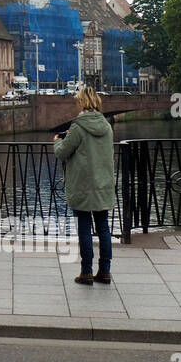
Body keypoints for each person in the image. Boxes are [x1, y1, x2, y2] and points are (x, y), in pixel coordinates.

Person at [54, 86, 116, 285]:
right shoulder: (107, 126)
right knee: (103, 227)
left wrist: (56, 141)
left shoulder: (78, 127)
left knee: (84, 227)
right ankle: (105, 271)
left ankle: (86, 272)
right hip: (103, 183)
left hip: (82, 185)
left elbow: (63, 152)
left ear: (82, 103)